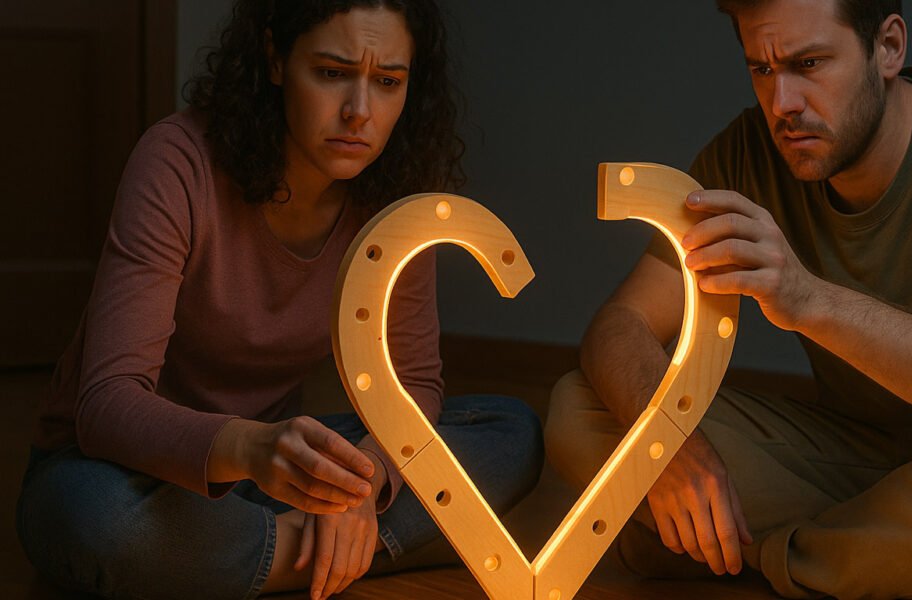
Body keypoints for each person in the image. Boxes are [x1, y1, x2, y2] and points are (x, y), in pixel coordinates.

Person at [545, 0, 912, 598]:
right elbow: (621, 324)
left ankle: (764, 559)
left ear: (888, 47)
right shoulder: (745, 156)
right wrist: (669, 448)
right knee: (581, 408)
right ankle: (893, 564)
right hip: (850, 456)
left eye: (809, 63)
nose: (782, 103)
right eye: (762, 70)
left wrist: (809, 300)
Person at [16, 1, 543, 599]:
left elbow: (414, 385)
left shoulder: (396, 195)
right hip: (123, 470)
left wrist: (359, 488)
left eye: (388, 83)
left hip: (273, 473)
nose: (359, 112)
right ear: (274, 59)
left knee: (511, 431)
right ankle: (324, 556)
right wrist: (252, 447)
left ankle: (268, 552)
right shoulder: (177, 162)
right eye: (331, 72)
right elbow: (107, 404)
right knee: (98, 521)